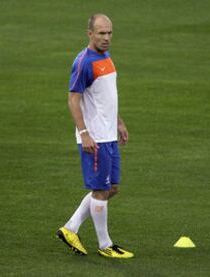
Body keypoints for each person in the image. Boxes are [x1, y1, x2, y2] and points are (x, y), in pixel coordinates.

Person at [56, 14, 134, 259]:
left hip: (108, 134)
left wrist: (119, 122)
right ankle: (105, 245)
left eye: (110, 33)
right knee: (101, 190)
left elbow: (106, 96)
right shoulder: (83, 62)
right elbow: (73, 99)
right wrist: (84, 133)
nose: (107, 38)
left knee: (112, 188)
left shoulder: (106, 58)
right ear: (89, 33)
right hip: (95, 138)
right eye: (101, 33)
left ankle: (70, 228)